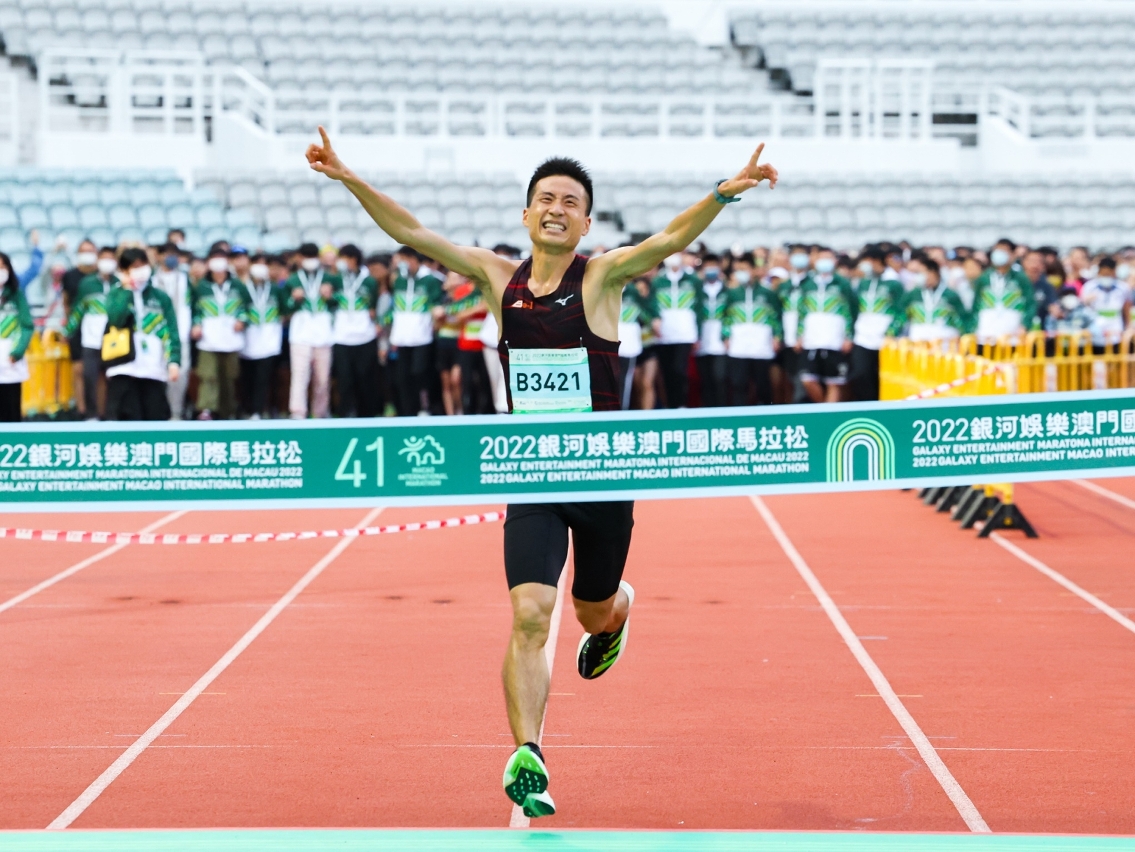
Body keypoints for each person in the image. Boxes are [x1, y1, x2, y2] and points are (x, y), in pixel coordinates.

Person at [305, 126, 776, 817]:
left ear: (585, 223)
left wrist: (721, 195)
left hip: (604, 476)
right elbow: (412, 232)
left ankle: (615, 615)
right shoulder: (499, 278)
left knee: (591, 607)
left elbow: (669, 239)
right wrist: (349, 178)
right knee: (530, 614)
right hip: (532, 473)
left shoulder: (602, 276)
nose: (557, 209)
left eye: (570, 202)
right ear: (526, 213)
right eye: (546, 199)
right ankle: (528, 752)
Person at [104, 248, 181, 421]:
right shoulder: (116, 294)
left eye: (142, 265)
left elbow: (171, 331)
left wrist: (173, 361)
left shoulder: (160, 297)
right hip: (123, 367)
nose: (140, 270)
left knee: (155, 417)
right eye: (134, 267)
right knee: (127, 419)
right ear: (124, 271)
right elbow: (116, 320)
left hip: (153, 368)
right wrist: (126, 290)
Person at [191, 247, 250, 420]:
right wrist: (196, 325)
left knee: (229, 377)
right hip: (208, 338)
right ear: (209, 263)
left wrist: (242, 320)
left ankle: (228, 411)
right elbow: (195, 309)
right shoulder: (201, 286)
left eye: (221, 258)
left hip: (231, 337)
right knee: (208, 375)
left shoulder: (238, 285)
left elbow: (247, 307)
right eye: (214, 258)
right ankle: (207, 409)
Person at [63, 245, 119, 420]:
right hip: (91, 339)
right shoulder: (87, 284)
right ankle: (91, 414)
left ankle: (108, 414)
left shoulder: (119, 284)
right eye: (104, 258)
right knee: (89, 376)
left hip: (115, 339)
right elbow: (78, 309)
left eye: (111, 258)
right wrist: (68, 330)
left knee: (111, 379)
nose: (107, 262)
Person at [795, 246, 856, 403]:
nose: (825, 262)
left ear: (835, 261)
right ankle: (823, 409)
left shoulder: (843, 284)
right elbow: (801, 312)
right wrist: (799, 335)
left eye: (828, 258)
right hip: (811, 340)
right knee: (808, 380)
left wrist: (849, 337)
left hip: (834, 340)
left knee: (834, 382)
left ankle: (829, 414)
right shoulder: (807, 284)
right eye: (821, 259)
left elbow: (851, 312)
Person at [285, 243, 340, 419]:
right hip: (300, 334)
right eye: (306, 257)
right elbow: (284, 308)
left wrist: (330, 297)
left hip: (323, 333)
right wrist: (294, 299)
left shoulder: (329, 278)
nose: (310, 260)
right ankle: (297, 411)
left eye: (313, 256)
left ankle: (320, 412)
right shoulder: (292, 280)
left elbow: (338, 304)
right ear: (299, 258)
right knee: (300, 375)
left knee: (323, 378)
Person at [389, 246, 443, 416]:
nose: (400, 264)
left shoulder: (430, 280)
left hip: (422, 336)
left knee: (420, 373)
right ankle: (408, 412)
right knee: (402, 377)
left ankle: (425, 407)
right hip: (401, 337)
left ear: (412, 259)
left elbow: (437, 305)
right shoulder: (399, 280)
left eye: (402, 260)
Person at [848, 247, 906, 401]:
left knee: (882, 377)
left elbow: (901, 312)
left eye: (866, 261)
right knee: (860, 374)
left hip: (885, 339)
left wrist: (892, 332)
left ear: (876, 261)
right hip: (862, 338)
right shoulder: (863, 283)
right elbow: (854, 309)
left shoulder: (893, 284)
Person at [723, 256, 781, 405]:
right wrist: (725, 336)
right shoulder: (732, 294)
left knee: (762, 384)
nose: (741, 273)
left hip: (761, 344)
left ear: (754, 270)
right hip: (739, 345)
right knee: (739, 383)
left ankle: (764, 412)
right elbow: (726, 317)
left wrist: (777, 336)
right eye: (738, 270)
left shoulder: (767, 293)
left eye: (744, 269)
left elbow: (776, 317)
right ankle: (739, 413)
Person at [332, 243, 381, 418]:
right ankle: (345, 414)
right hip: (342, 336)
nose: (341, 261)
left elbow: (374, 307)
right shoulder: (336, 280)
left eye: (344, 258)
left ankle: (366, 415)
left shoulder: (369, 281)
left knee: (365, 378)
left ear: (353, 259)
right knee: (344, 379)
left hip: (364, 336)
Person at [650, 252, 700, 407]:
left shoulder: (693, 280)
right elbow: (651, 304)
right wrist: (655, 319)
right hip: (664, 333)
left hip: (685, 332)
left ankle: (680, 404)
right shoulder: (658, 281)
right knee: (667, 372)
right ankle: (670, 405)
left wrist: (699, 333)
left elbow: (699, 308)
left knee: (680, 369)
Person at [240, 253, 285, 419]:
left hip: (269, 338)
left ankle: (259, 410)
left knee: (265, 378)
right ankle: (247, 409)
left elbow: (284, 309)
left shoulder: (275, 289)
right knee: (247, 377)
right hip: (248, 339)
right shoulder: (243, 289)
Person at [152, 242, 192, 419]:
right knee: (157, 372)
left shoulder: (185, 279)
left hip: (181, 333)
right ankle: (158, 413)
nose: (171, 258)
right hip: (156, 334)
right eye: (167, 254)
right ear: (159, 256)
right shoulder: (151, 279)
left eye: (174, 254)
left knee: (180, 374)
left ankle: (176, 413)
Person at [971, 238, 1036, 345]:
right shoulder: (984, 278)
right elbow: (976, 305)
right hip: (986, 334)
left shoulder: (1021, 279)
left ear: (1013, 255)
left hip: (1012, 334)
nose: (999, 253)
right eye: (997, 250)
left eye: (1003, 250)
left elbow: (1030, 304)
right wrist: (973, 327)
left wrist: (1025, 325)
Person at [61, 239, 98, 416]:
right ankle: (81, 410)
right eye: (84, 251)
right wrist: (69, 326)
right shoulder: (70, 276)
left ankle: (98, 410)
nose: (87, 254)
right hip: (77, 327)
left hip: (99, 328)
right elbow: (66, 302)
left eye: (90, 250)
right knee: (78, 369)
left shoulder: (101, 276)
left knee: (98, 371)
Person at [902, 254, 969, 343]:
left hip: (944, 343)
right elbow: (901, 316)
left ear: (933, 273)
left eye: (922, 273)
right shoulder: (914, 294)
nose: (919, 277)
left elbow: (963, 320)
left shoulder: (950, 295)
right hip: (918, 343)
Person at [0, 253, 34, 421]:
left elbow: (27, 326)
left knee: (11, 408)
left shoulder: (16, 295)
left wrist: (17, 352)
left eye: (2, 267)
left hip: (10, 358)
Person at [616, 273, 656, 410]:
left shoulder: (633, 292)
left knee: (625, 380)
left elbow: (648, 314)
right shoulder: (604, 288)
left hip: (628, 344)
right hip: (607, 343)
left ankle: (621, 411)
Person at [776, 245, 809, 403]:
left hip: (807, 339)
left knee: (805, 379)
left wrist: (802, 335)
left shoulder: (812, 284)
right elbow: (777, 312)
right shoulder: (784, 286)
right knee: (789, 377)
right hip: (787, 337)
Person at [694, 253, 728, 406]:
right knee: (705, 380)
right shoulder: (697, 290)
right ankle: (707, 411)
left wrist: (727, 335)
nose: (711, 269)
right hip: (702, 340)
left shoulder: (727, 290)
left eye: (714, 265)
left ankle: (721, 411)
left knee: (719, 378)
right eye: (707, 266)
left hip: (720, 341)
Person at [1081, 257, 1133, 354]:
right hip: (1094, 333)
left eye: (1108, 274)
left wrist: (1128, 326)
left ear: (1114, 272)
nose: (1106, 277)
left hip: (1116, 332)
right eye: (1103, 274)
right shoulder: (1089, 287)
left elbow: (1126, 308)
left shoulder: (1123, 288)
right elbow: (1082, 309)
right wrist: (1086, 301)